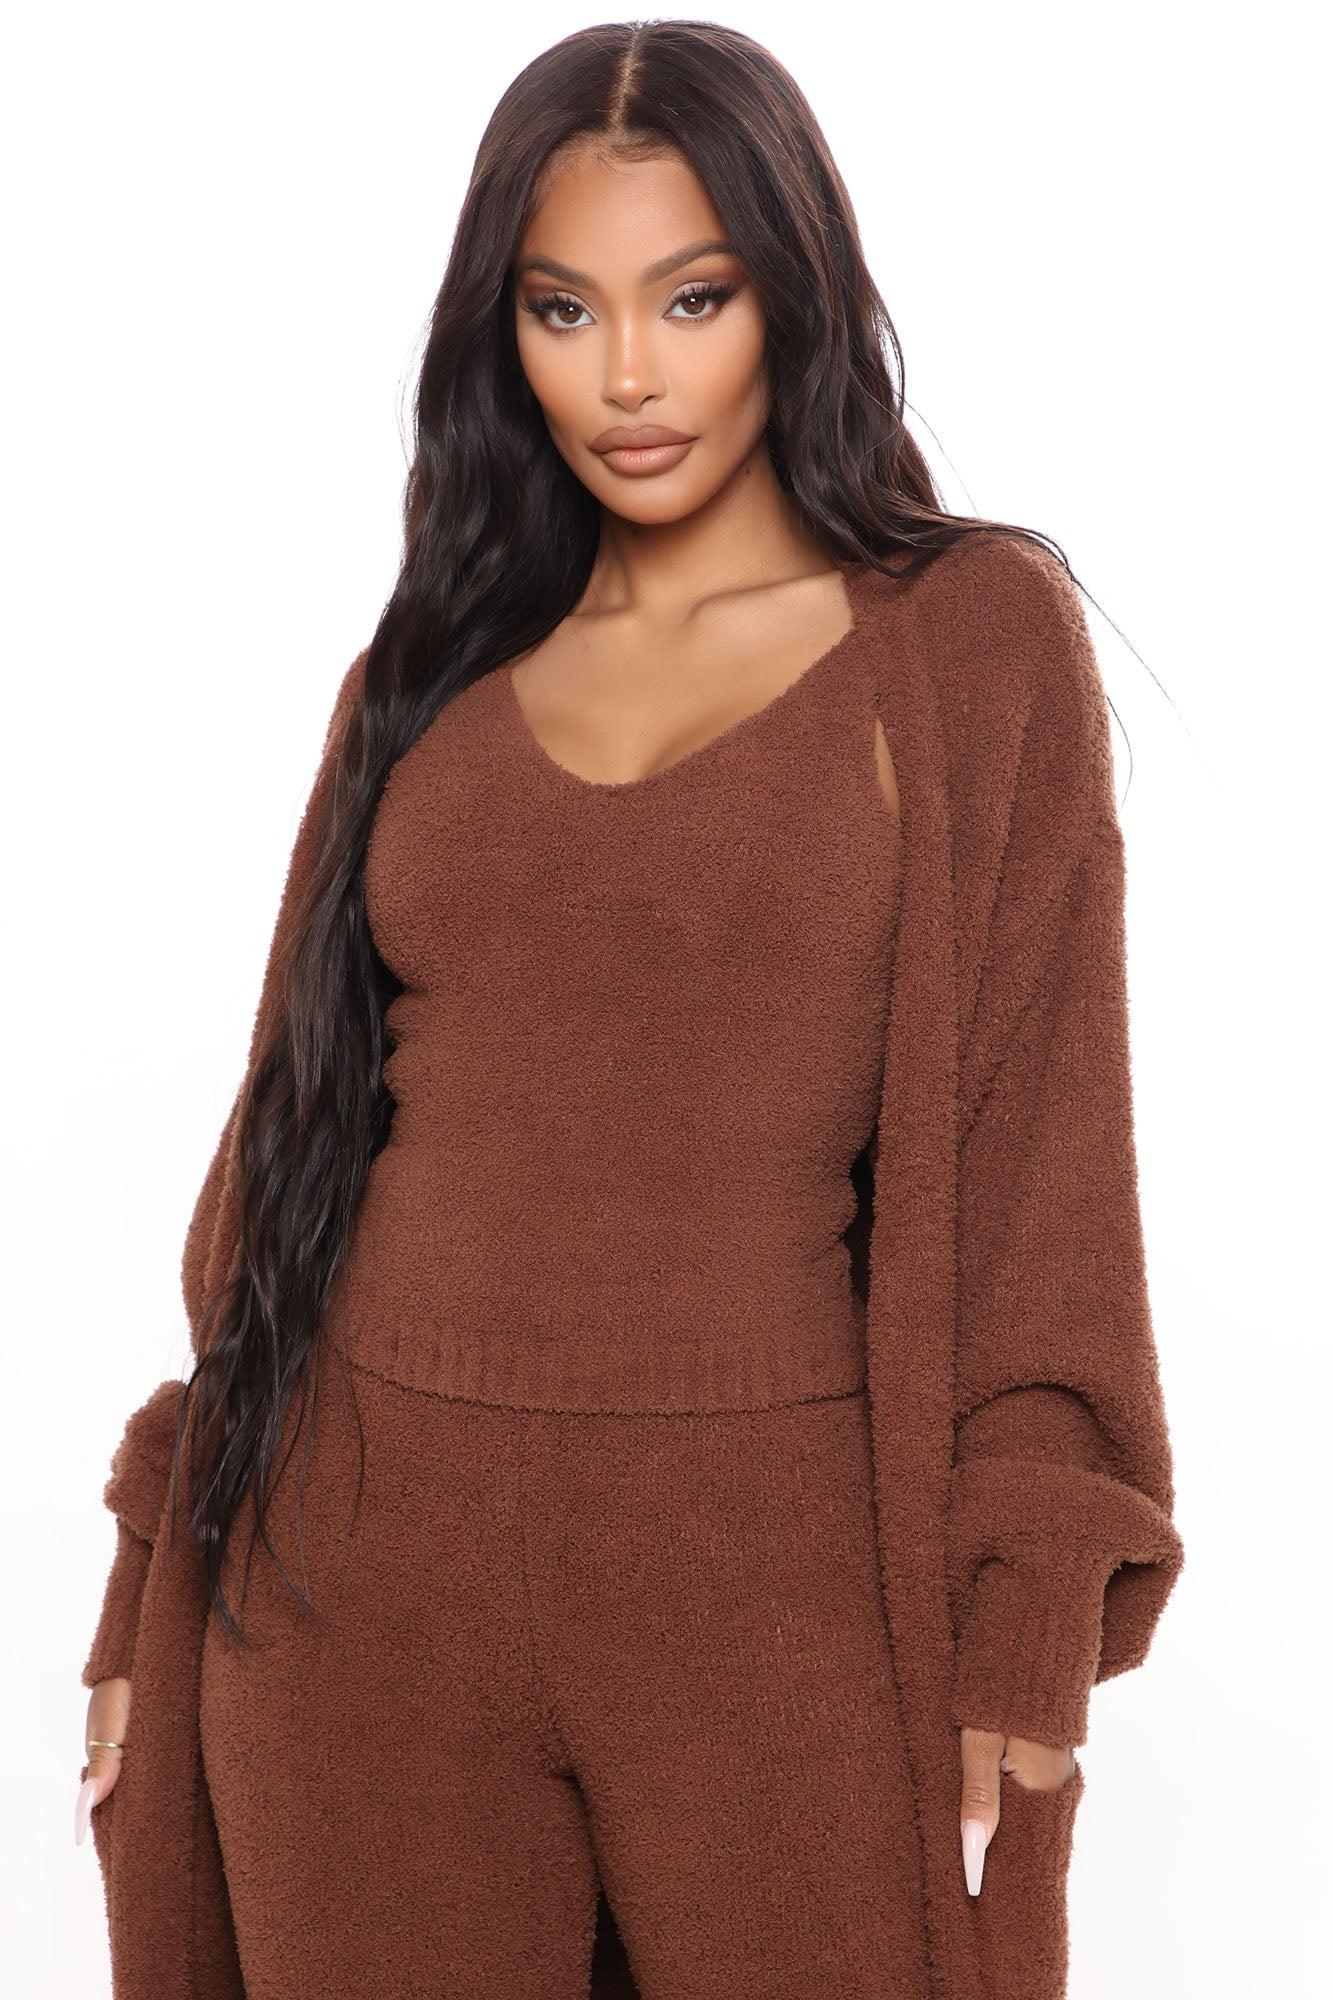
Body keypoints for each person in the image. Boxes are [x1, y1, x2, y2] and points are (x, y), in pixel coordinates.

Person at [74, 21, 1185, 2000]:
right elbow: (288, 1144)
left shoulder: (962, 645)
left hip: (774, 1584)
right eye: (561, 309)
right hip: (346, 1569)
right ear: (498, 331)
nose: (629, 378)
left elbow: (1042, 1178)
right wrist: (153, 1554)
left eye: (692, 297)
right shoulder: (432, 662)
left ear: (795, 294)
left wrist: (1023, 1615)